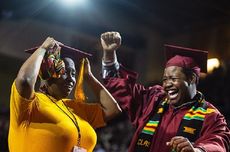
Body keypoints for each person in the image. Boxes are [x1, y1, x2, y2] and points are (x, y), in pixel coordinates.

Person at [100, 31, 230, 152]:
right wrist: (109, 56)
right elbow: (123, 88)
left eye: (173, 79)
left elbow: (219, 141)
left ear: (192, 78)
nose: (167, 85)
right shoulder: (153, 100)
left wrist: (197, 150)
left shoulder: (211, 116)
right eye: (165, 79)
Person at [8, 37, 121, 152]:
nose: (71, 79)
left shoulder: (75, 108)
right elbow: (25, 80)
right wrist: (43, 49)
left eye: (73, 74)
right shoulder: (30, 104)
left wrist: (88, 76)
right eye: (65, 72)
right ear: (47, 72)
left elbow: (112, 109)